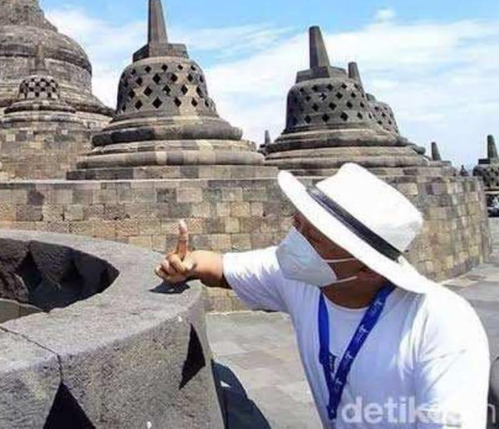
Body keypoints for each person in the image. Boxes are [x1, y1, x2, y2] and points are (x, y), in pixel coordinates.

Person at [156, 163, 489, 427]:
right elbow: (219, 267)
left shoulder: (440, 323)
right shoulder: (301, 278)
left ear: (368, 268)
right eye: (297, 224)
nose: (294, 240)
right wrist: (186, 265)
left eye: (312, 237)